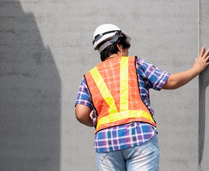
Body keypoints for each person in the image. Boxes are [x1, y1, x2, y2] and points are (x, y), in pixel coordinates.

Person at [75, 24, 209, 171]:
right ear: (119, 46)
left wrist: (97, 121)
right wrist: (196, 69)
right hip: (139, 136)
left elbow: (81, 114)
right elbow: (170, 81)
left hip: (106, 143)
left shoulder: (89, 77)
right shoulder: (135, 64)